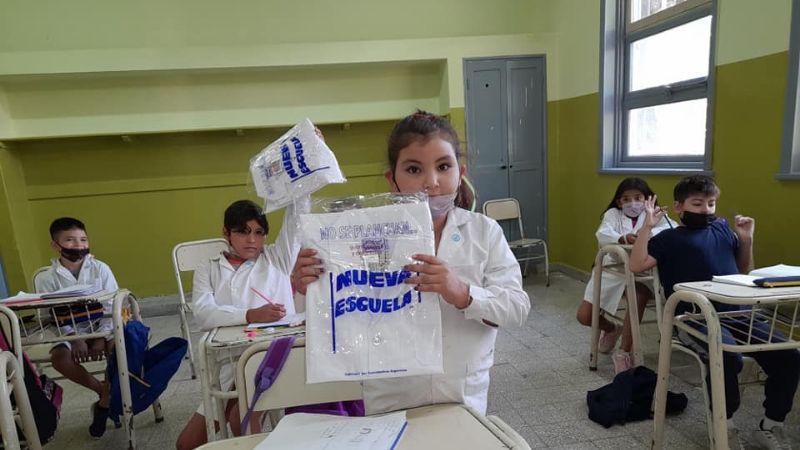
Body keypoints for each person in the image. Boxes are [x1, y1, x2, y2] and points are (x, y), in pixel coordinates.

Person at [292, 110, 531, 415]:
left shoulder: (484, 232)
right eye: (414, 169)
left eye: (443, 166)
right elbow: (329, 317)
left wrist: (462, 293)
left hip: (462, 398)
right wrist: (307, 286)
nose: (431, 182)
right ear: (392, 179)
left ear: (460, 172)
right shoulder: (358, 236)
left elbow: (516, 308)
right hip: (389, 399)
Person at [629, 175, 800, 449]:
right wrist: (647, 228)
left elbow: (742, 270)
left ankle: (771, 425)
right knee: (727, 357)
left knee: (789, 356)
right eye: (697, 204)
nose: (706, 210)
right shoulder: (668, 238)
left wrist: (746, 240)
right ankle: (724, 425)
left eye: (711, 204)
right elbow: (637, 266)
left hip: (739, 313)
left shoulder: (721, 229)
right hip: (693, 318)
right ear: (679, 207)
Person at [175, 199, 302, 450]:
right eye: (243, 232)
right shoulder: (208, 267)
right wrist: (251, 314)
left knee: (240, 421)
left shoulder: (277, 259)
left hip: (268, 357)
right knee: (186, 444)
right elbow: (204, 314)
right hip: (227, 361)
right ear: (226, 232)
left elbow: (296, 221)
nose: (252, 240)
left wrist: (296, 188)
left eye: (258, 232)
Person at [575, 177, 674, 373]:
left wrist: (647, 234)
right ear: (619, 202)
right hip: (612, 269)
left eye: (638, 198)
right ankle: (612, 329)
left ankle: (624, 352)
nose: (632, 203)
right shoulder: (613, 214)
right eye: (626, 199)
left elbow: (672, 231)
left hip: (641, 272)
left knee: (638, 297)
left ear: (648, 199)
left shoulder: (656, 214)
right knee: (584, 316)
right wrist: (623, 238)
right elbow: (603, 234)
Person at [35, 217, 118, 438]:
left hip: (101, 326)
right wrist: (74, 338)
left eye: (83, 239)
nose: (79, 245)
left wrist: (100, 337)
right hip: (68, 331)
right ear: (55, 245)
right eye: (70, 240)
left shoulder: (101, 269)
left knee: (118, 350)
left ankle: (108, 399)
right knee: (60, 359)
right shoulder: (46, 278)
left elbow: (112, 306)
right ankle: (103, 391)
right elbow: (49, 315)